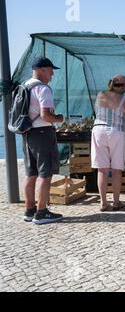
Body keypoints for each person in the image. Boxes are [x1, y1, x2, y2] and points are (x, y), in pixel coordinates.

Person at [22, 57, 64, 225]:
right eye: (50, 69)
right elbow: (46, 115)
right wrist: (59, 118)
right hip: (42, 133)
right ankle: (42, 212)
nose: (52, 73)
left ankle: (29, 209)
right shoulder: (43, 89)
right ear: (41, 69)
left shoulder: (24, 86)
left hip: (27, 133)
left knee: (31, 173)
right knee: (46, 173)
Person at [91, 74, 125, 211]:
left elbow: (96, 112)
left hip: (98, 131)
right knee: (116, 170)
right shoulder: (124, 100)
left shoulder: (100, 95)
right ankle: (116, 202)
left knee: (102, 170)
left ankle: (103, 203)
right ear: (119, 86)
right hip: (117, 132)